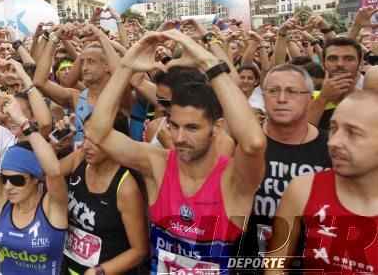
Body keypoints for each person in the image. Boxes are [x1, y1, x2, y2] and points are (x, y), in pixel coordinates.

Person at [85, 30, 267, 271]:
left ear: (217, 128)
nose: (180, 137)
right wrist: (126, 66)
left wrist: (209, 62)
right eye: (174, 125)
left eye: (192, 127)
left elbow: (254, 143)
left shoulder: (233, 181)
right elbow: (97, 133)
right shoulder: (158, 163)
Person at [266, 91, 378, 273]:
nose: (333, 141)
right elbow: (275, 262)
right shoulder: (303, 189)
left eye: (352, 133)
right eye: (333, 128)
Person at [0, 94, 68, 274]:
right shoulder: (4, 201)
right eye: (4, 179)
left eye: (17, 180)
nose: (8, 186)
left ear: (35, 178)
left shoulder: (53, 206)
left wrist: (23, 122)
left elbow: (54, 171)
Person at [248, 64, 331, 253]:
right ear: (263, 98)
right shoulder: (245, 145)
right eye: (273, 91)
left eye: (292, 91)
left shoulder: (332, 149)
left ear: (310, 100)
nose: (282, 99)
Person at [58, 113, 148, 274]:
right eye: (85, 137)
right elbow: (43, 174)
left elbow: (140, 250)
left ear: (116, 141)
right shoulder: (79, 159)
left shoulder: (126, 188)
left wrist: (100, 271)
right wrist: (55, 140)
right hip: (68, 268)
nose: (85, 145)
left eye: (95, 140)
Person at [307, 37, 363, 131]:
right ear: (323, 64)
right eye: (332, 58)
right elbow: (301, 139)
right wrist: (322, 99)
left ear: (360, 63)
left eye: (349, 59)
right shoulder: (307, 99)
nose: (340, 64)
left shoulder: (371, 101)